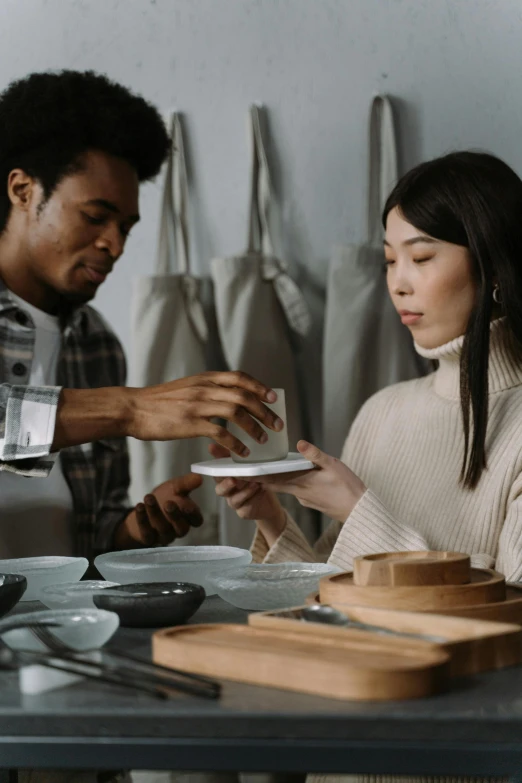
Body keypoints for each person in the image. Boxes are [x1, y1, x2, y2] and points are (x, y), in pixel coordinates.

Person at [214, 150, 522, 783]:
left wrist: (360, 510)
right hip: (345, 754)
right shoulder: (382, 411)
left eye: (422, 256)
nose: (398, 282)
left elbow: (511, 631)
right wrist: (275, 522)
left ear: (492, 264)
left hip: (459, 763)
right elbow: (334, 604)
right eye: (388, 260)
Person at [0, 69, 283, 567]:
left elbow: (88, 545)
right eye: (94, 216)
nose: (115, 244)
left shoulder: (97, 343)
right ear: (23, 190)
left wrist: (132, 531)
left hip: (63, 630)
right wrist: (127, 409)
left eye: (125, 227)